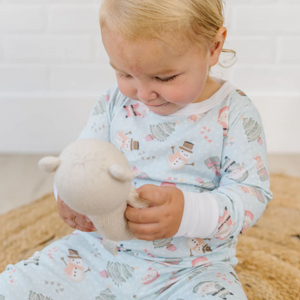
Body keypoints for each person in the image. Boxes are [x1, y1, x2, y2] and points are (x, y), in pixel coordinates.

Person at [0, 0, 273, 299]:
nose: (143, 94)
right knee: (13, 287)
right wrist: (67, 194)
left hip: (191, 270)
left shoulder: (235, 112)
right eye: (125, 74)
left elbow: (251, 195)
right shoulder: (115, 102)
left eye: (164, 77)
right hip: (97, 254)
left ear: (213, 46)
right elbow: (80, 160)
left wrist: (187, 213)